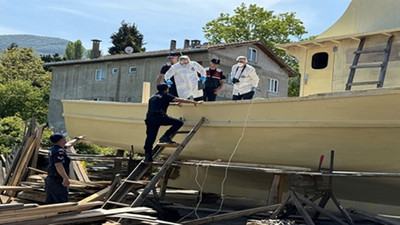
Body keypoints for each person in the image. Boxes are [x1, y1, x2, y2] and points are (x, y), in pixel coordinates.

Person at [143, 83, 203, 162]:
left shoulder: (152, 97)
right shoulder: (166, 95)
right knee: (179, 123)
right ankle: (166, 136)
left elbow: (162, 103)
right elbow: (180, 99)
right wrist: (194, 102)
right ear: (166, 90)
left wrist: (175, 104)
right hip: (160, 118)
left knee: (150, 138)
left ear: (157, 90)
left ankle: (148, 156)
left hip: (150, 119)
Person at [45, 133, 83, 204]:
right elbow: (58, 165)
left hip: (51, 180)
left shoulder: (55, 148)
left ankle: (49, 214)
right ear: (60, 140)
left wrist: (77, 139)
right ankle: (60, 215)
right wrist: (65, 178)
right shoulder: (59, 151)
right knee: (61, 202)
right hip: (57, 181)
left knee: (50, 202)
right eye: (63, 138)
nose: (65, 139)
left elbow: (69, 144)